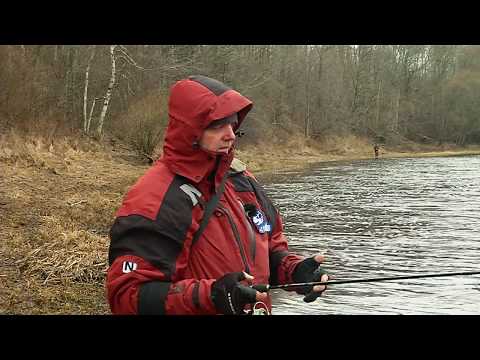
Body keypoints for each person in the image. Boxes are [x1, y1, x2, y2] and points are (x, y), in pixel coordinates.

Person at [106, 75, 329, 315]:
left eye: (232, 124)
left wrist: (293, 271)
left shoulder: (242, 180)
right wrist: (211, 295)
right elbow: (128, 296)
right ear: (190, 129)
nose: (230, 134)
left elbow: (268, 247)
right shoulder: (156, 196)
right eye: (217, 125)